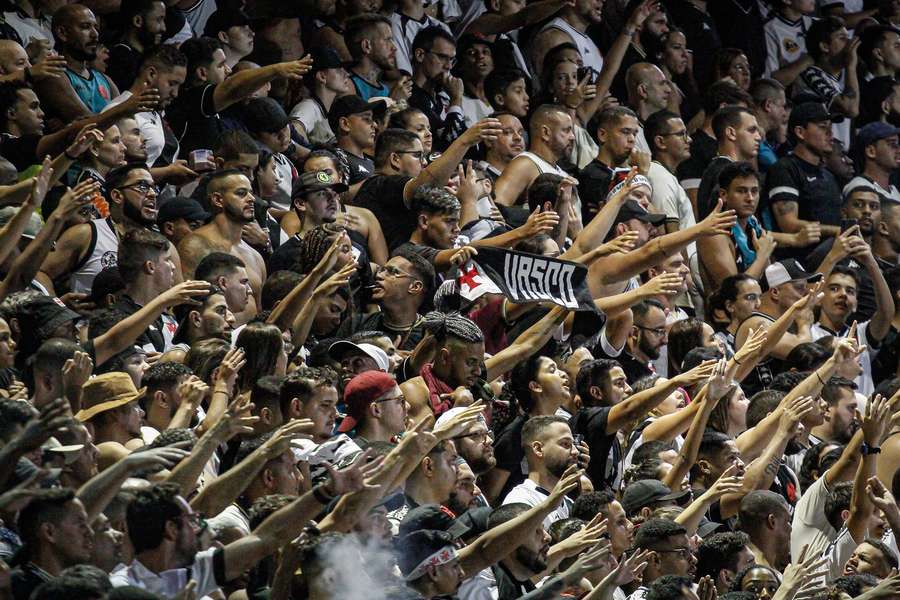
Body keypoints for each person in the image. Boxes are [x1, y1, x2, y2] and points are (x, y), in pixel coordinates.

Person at [178, 169, 266, 319]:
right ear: (218, 200)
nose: (251, 199)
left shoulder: (255, 255)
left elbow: (258, 308)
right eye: (241, 193)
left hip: (249, 339)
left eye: (251, 193)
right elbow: (185, 303)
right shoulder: (196, 245)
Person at [290, 47, 354, 148]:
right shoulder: (308, 107)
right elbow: (293, 131)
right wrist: (312, 154)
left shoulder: (323, 109)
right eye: (338, 70)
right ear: (322, 77)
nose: (346, 74)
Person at [105, 0, 166, 91]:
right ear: (138, 21)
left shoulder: (147, 55)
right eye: (158, 20)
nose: (164, 28)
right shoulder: (121, 58)